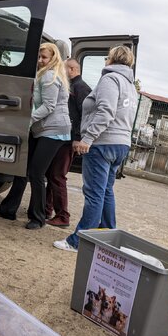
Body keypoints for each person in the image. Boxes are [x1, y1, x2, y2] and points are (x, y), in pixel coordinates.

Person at [53, 45, 138, 252]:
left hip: (103, 143)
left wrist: (87, 138)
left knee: (94, 194)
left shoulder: (110, 79)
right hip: (121, 144)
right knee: (106, 191)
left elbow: (106, 111)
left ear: (112, 59)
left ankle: (78, 241)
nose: (105, 61)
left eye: (106, 57)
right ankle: (107, 235)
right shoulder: (130, 85)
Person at [0, 42, 71, 230]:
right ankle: (8, 209)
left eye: (44, 58)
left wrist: (27, 120)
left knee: (36, 173)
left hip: (53, 130)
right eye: (39, 57)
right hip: (41, 128)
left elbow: (49, 107)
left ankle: (38, 217)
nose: (41, 61)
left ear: (53, 58)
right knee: (22, 170)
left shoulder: (50, 76)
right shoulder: (44, 74)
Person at [45, 58, 92, 228]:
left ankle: (63, 215)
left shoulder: (81, 88)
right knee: (52, 173)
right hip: (62, 135)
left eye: (63, 69)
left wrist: (78, 137)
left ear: (72, 69)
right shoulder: (71, 86)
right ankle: (46, 209)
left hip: (69, 139)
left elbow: (85, 115)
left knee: (57, 175)